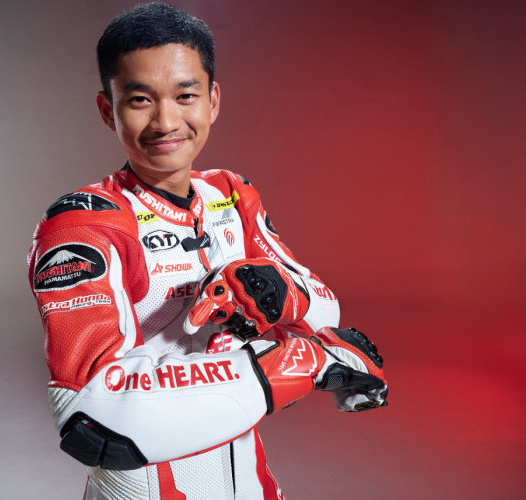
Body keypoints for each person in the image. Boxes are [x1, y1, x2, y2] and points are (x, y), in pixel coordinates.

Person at [27, 3, 388, 499]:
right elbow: (90, 417)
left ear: (212, 101)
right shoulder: (84, 222)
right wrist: (305, 363)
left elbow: (324, 314)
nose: (165, 121)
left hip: (252, 484)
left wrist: (281, 292)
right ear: (108, 110)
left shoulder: (231, 194)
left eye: (185, 96)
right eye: (140, 100)